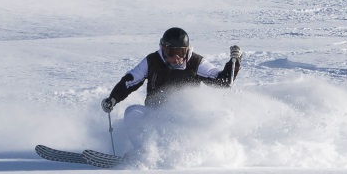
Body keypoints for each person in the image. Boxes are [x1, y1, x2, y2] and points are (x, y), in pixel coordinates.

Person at [100, 27, 242, 117]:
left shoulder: (196, 62)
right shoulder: (152, 61)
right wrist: (113, 98)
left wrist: (234, 63)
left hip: (184, 118)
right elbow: (130, 81)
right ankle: (143, 153)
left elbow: (223, 81)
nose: (176, 58)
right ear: (163, 49)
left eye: (181, 52)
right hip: (154, 114)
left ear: (187, 50)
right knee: (132, 113)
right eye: (172, 52)